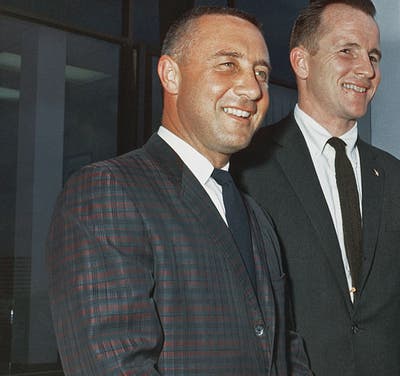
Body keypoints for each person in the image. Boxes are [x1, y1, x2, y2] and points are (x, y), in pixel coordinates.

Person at [46, 6, 311, 375]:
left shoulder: (258, 219)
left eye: (261, 73)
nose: (253, 89)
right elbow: (115, 366)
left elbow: (285, 350)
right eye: (227, 64)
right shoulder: (107, 193)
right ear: (171, 75)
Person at [231, 1, 400, 375]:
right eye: (347, 51)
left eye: (373, 56)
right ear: (301, 62)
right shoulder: (248, 168)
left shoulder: (399, 180)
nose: (367, 70)